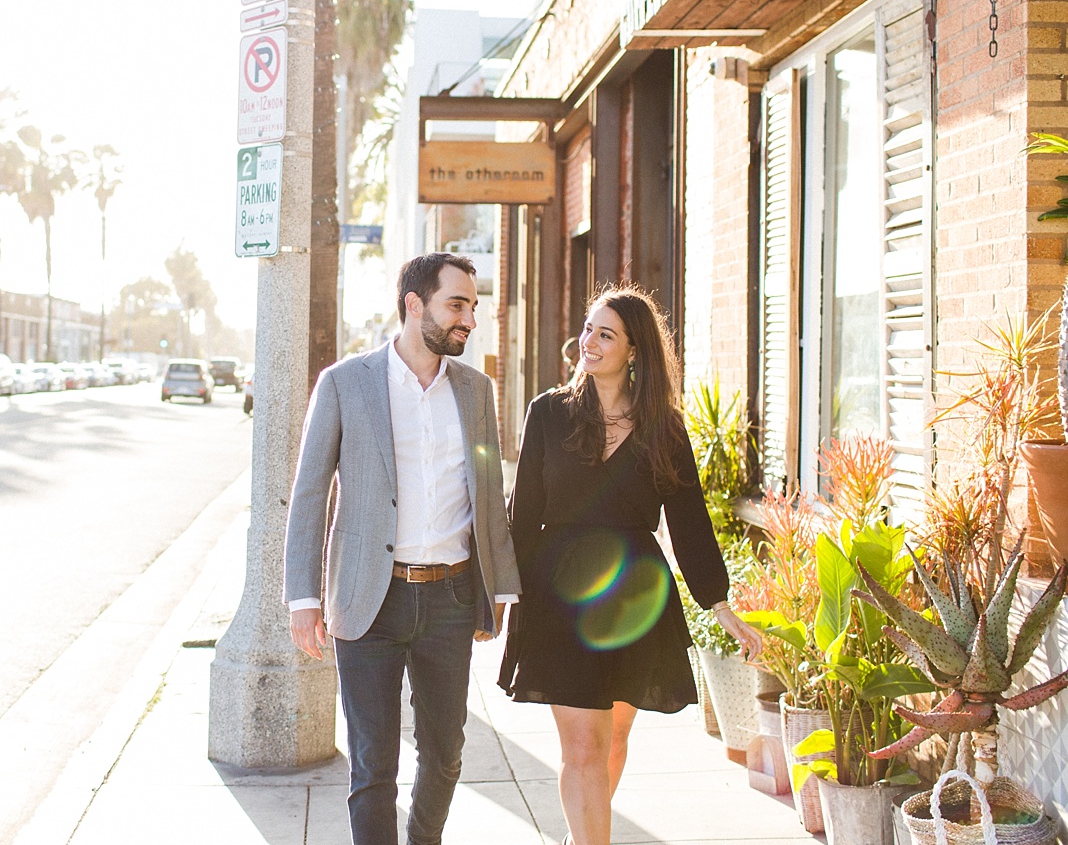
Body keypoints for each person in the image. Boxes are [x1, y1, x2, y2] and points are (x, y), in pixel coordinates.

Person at [497, 286, 763, 845]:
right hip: (560, 594)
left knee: (613, 742)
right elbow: (522, 515)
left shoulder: (664, 428)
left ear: (634, 350)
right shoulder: (548, 413)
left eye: (605, 334)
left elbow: (690, 522)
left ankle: (580, 836)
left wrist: (720, 605)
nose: (587, 343)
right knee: (585, 747)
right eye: (588, 329)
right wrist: (499, 595)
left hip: (633, 598)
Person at [285, 252, 521, 845]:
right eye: (457, 305)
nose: (469, 319)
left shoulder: (475, 390)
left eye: (473, 306)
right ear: (415, 305)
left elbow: (488, 494)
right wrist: (302, 598)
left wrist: (501, 590)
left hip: (449, 596)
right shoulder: (345, 383)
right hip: (371, 598)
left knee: (444, 754)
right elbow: (310, 490)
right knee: (374, 766)